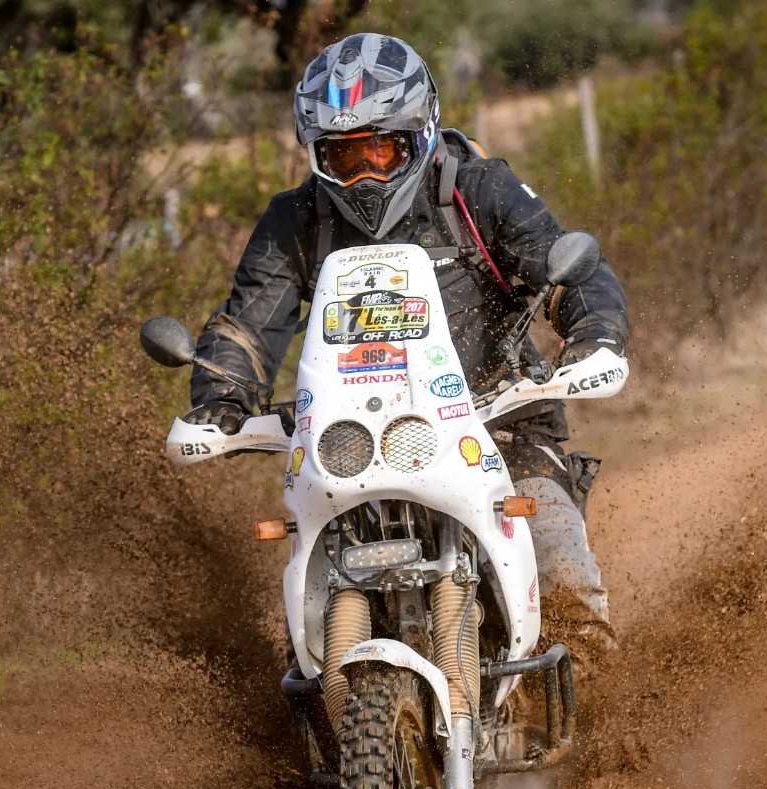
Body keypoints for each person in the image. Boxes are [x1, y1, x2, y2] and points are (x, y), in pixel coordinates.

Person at [187, 33, 629, 673]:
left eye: (381, 149)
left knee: (561, 567)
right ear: (317, 155)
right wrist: (222, 398)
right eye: (344, 156)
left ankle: (604, 715)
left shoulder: (478, 191)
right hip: (351, 445)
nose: (364, 174)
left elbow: (570, 274)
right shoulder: (294, 222)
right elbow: (247, 330)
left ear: (420, 133)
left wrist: (593, 339)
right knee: (304, 605)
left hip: (500, 427)